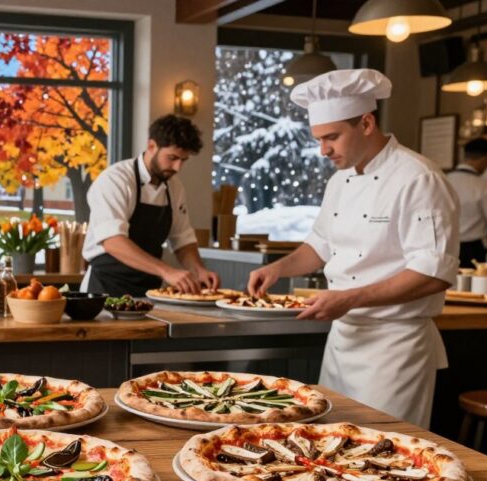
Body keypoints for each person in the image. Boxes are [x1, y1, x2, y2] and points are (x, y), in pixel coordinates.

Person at [247, 69, 460, 428]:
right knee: (331, 446)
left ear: (366, 123)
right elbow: (320, 246)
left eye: (332, 137)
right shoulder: (340, 180)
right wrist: (277, 269)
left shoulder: (418, 179)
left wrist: (349, 298)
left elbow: (433, 274)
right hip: (343, 340)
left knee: (384, 454)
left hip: (395, 347)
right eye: (318, 138)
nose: (323, 150)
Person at [81, 114, 219, 296]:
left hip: (148, 291)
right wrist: (166, 271)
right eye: (172, 158)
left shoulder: (174, 187)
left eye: (183, 160)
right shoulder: (116, 180)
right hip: (105, 289)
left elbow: (182, 240)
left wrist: (199, 270)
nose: (178, 167)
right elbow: (113, 241)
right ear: (151, 146)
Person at [446, 138, 487, 267]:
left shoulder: (444, 180)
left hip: (443, 248)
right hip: (471, 251)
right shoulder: (483, 186)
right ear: (485, 158)